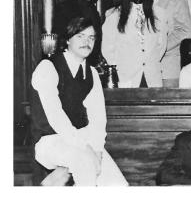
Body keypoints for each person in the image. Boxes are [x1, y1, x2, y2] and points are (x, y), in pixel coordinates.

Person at [29, 16, 128, 186]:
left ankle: (55, 181)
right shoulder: (47, 67)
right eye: (80, 36)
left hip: (81, 139)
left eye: (91, 37)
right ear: (67, 39)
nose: (87, 42)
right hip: (49, 141)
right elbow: (57, 120)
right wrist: (88, 151)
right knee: (86, 165)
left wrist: (97, 150)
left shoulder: (92, 73)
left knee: (117, 184)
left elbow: (98, 119)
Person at [101, 0, 170, 88]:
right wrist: (121, 68)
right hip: (127, 77)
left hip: (152, 77)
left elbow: (161, 45)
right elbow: (108, 48)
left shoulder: (158, 14)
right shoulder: (114, 15)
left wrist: (148, 62)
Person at [144, 0, 191, 87]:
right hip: (146, 69)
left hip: (169, 68)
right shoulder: (143, 0)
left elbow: (185, 31)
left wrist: (160, 47)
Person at [53, 0, 103, 65]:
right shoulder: (64, 8)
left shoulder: (94, 11)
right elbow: (59, 42)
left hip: (89, 63)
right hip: (68, 63)